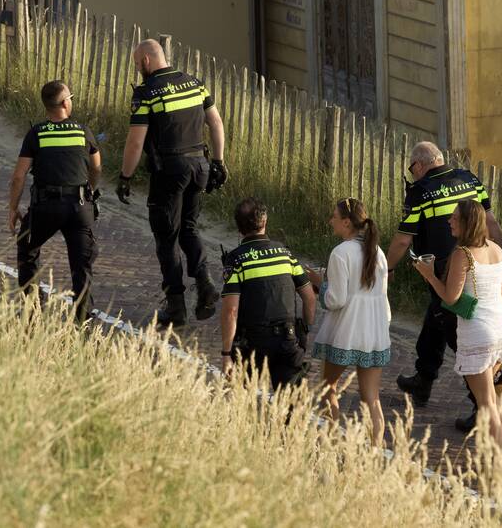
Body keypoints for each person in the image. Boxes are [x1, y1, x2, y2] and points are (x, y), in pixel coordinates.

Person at [385, 141, 502, 432]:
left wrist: (387, 267)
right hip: (483, 263)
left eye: (411, 169)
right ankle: (423, 379)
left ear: (418, 165)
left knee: (459, 336)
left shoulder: (421, 190)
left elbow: (404, 238)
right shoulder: (469, 179)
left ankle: (481, 404)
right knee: (436, 319)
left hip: (449, 269)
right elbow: (491, 222)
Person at [116, 38, 228, 327]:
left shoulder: (147, 93)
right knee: (189, 228)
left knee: (166, 237)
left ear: (145, 62)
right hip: (199, 166)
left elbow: (135, 141)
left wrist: (125, 176)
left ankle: (176, 305)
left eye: (137, 64)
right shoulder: (194, 83)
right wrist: (218, 161)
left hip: (170, 169)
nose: (138, 69)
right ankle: (204, 283)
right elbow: (215, 123)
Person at [414, 200, 502, 444]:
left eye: (455, 218)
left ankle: (499, 458)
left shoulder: (463, 254)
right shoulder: (497, 250)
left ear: (467, 223)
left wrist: (429, 275)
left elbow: (451, 297)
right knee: (493, 394)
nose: (450, 221)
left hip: (479, 332)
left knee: (485, 402)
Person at [8, 81, 101, 322]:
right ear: (65, 103)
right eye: (71, 96)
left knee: (27, 249)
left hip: (45, 208)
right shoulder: (83, 131)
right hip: (79, 207)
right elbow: (96, 166)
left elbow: (19, 176)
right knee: (81, 264)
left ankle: (33, 310)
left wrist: (12, 208)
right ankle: (82, 320)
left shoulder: (36, 133)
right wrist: (90, 189)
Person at [306, 198, 391, 445]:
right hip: (374, 331)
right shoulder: (378, 252)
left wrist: (319, 281)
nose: (330, 221)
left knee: (328, 388)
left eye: (334, 216)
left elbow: (336, 300)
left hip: (346, 330)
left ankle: (330, 442)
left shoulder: (340, 252)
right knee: (371, 398)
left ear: (346, 222)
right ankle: (375, 450)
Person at [220, 198, 317, 390]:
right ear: (264, 222)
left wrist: (226, 353)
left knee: (242, 405)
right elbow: (309, 298)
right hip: (287, 341)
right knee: (290, 410)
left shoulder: (236, 260)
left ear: (239, 229)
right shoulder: (285, 254)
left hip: (251, 344)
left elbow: (231, 310)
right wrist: (304, 330)